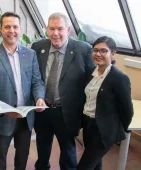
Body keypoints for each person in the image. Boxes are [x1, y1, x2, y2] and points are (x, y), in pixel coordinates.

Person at [0, 12, 46, 170]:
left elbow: (37, 81)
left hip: (25, 116)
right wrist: (4, 109)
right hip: (3, 117)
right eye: (7, 26)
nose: (12, 30)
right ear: (1, 29)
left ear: (20, 29)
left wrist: (39, 98)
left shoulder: (30, 54)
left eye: (15, 27)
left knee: (22, 156)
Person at [31, 12, 95, 170]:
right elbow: (33, 77)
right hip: (42, 108)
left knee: (68, 152)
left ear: (68, 30)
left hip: (67, 111)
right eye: (51, 29)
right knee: (42, 147)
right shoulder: (38, 47)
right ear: (47, 30)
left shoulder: (83, 49)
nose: (55, 33)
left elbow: (92, 81)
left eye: (60, 29)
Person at [77, 36, 134, 170]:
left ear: (113, 53)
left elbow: (127, 110)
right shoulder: (91, 73)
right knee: (96, 164)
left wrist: (117, 130)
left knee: (84, 166)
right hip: (88, 125)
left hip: (104, 130)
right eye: (95, 50)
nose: (98, 54)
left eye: (103, 51)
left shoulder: (119, 78)